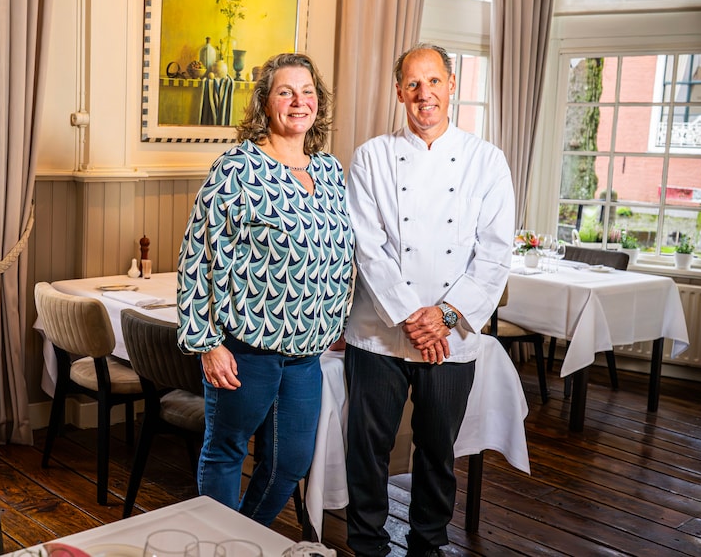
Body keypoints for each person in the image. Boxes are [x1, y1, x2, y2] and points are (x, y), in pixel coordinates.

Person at [344, 43, 514, 556]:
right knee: (367, 450)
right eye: (414, 85)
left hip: (450, 337)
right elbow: (366, 246)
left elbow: (495, 251)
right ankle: (366, 544)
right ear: (399, 92)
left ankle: (428, 543)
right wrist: (409, 316)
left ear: (452, 84)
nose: (425, 95)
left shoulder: (486, 161)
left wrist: (441, 316)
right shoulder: (371, 156)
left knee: (437, 451)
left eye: (434, 82)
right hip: (377, 332)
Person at [175, 52, 355, 525]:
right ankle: (220, 547)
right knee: (226, 451)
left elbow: (337, 251)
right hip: (245, 346)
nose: (300, 102)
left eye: (308, 91)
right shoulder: (238, 168)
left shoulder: (330, 172)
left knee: (291, 461)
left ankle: (245, 540)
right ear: (264, 102)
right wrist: (206, 343)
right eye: (286, 92)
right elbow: (197, 256)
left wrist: (336, 318)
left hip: (306, 352)